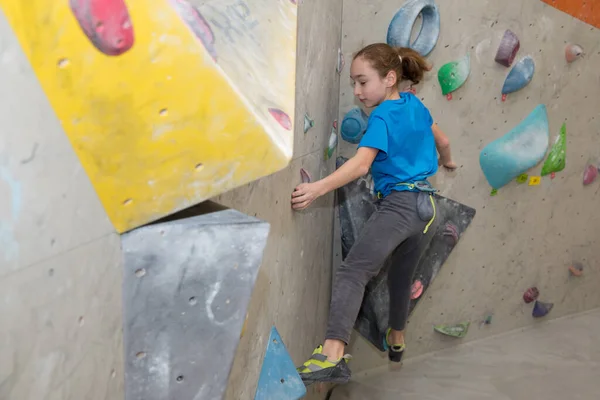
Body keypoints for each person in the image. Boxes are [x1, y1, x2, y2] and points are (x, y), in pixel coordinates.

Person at [290, 43, 457, 385]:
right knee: (399, 279)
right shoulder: (414, 104)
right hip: (429, 210)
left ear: (390, 78)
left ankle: (331, 355)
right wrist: (448, 162)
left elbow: (361, 164)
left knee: (354, 271)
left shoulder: (382, 115)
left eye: (362, 82)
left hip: (400, 206)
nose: (357, 91)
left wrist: (317, 188)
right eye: (354, 82)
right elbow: (444, 140)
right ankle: (397, 336)